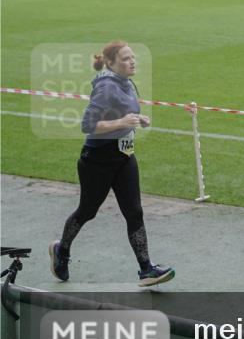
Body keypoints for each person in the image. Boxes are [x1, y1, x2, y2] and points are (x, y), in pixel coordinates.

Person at [49, 41, 174, 287]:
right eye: (126, 58)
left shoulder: (126, 82)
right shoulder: (106, 87)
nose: (132, 61)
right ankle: (61, 251)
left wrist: (138, 119)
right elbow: (88, 125)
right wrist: (122, 122)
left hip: (124, 157)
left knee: (134, 211)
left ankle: (146, 269)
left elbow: (122, 114)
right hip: (98, 160)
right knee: (87, 211)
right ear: (111, 63)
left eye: (133, 57)